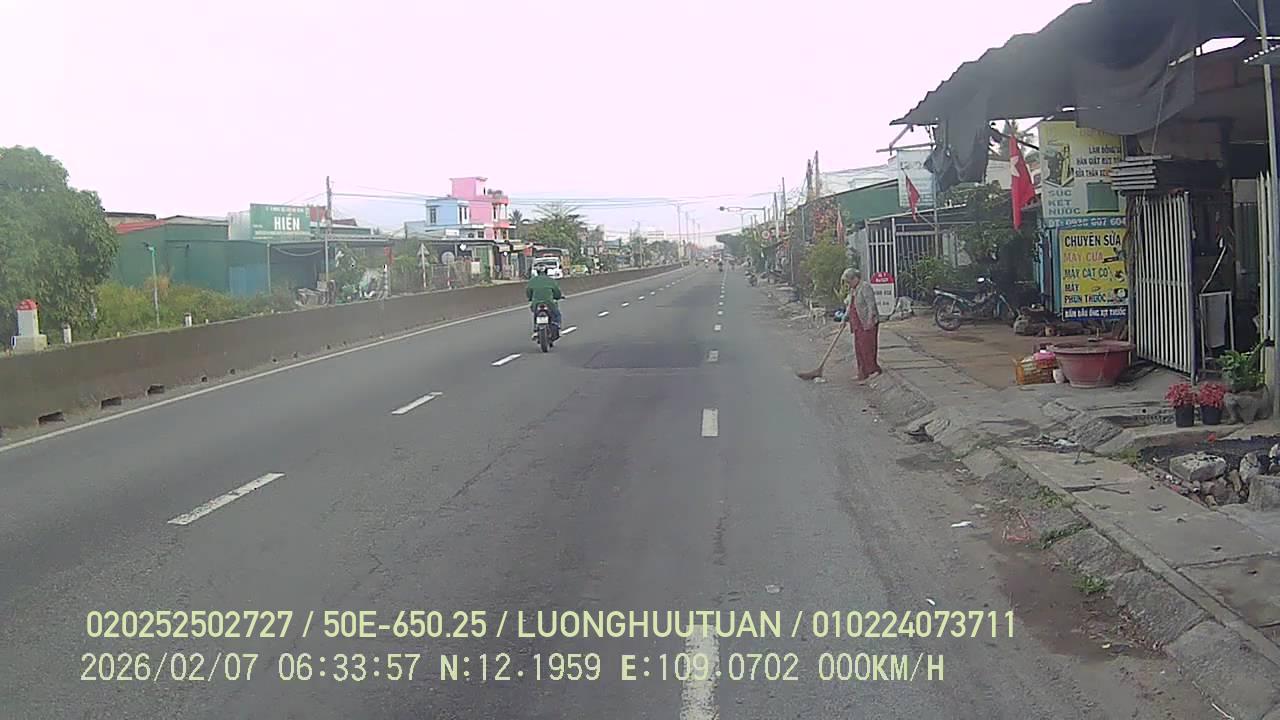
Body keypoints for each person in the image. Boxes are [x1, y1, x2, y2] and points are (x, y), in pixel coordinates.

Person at [842, 268, 882, 383]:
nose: (848, 284)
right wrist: (844, 318)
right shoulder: (853, 290)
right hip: (857, 324)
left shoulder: (865, 287)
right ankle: (862, 372)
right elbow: (850, 306)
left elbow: (871, 305)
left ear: (855, 278)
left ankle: (873, 370)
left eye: (849, 281)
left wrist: (870, 319)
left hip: (867, 322)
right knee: (859, 349)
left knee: (868, 347)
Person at [526, 265, 563, 338]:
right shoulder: (551, 280)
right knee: (557, 315)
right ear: (546, 272)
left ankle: (535, 329)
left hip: (536, 303)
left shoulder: (532, 281)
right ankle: (558, 328)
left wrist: (530, 298)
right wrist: (558, 297)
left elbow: (528, 292)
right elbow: (557, 292)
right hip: (549, 303)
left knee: (536, 313)